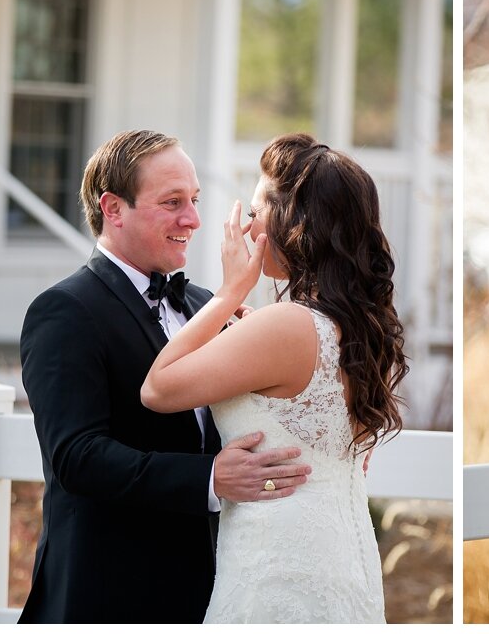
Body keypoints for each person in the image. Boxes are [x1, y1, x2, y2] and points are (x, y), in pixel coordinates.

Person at [18, 130, 312, 623]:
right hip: (108, 594)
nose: (193, 219)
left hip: (212, 590)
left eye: (194, 200)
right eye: (172, 202)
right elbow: (77, 455)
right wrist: (209, 478)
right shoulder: (64, 310)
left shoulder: (205, 305)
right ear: (113, 208)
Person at [141, 133, 407, 624]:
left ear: (296, 221)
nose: (247, 224)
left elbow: (158, 389)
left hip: (280, 564)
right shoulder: (355, 327)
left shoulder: (285, 325)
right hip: (343, 557)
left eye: (260, 207)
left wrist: (227, 293)